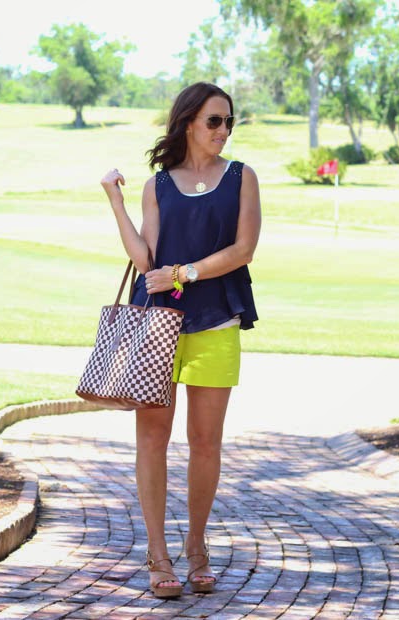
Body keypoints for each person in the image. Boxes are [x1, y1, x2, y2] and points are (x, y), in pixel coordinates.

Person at [99, 82, 261, 598]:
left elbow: (244, 250)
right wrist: (116, 201)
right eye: (214, 120)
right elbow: (145, 259)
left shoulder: (241, 177)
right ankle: (158, 553)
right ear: (189, 122)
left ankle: (196, 546)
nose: (223, 130)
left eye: (229, 121)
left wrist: (184, 273)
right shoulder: (158, 185)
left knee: (206, 442)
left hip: (217, 320)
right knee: (152, 439)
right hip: (157, 324)